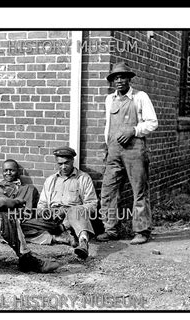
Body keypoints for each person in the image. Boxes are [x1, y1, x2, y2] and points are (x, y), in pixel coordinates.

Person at [97, 62, 158, 245]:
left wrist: (134, 130)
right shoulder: (110, 99)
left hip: (135, 151)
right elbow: (108, 126)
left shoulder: (140, 97)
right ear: (112, 81)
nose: (120, 81)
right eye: (116, 78)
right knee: (108, 190)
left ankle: (141, 231)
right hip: (114, 152)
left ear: (129, 79)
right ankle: (110, 229)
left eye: (123, 77)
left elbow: (152, 122)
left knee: (139, 190)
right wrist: (107, 147)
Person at [21, 147, 98, 260]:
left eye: (66, 163)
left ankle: (83, 243)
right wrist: (47, 213)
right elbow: (41, 205)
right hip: (53, 218)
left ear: (72, 161)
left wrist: (68, 211)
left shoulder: (83, 178)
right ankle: (59, 238)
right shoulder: (50, 180)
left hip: (73, 217)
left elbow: (92, 204)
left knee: (75, 211)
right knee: (19, 228)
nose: (63, 167)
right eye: (60, 164)